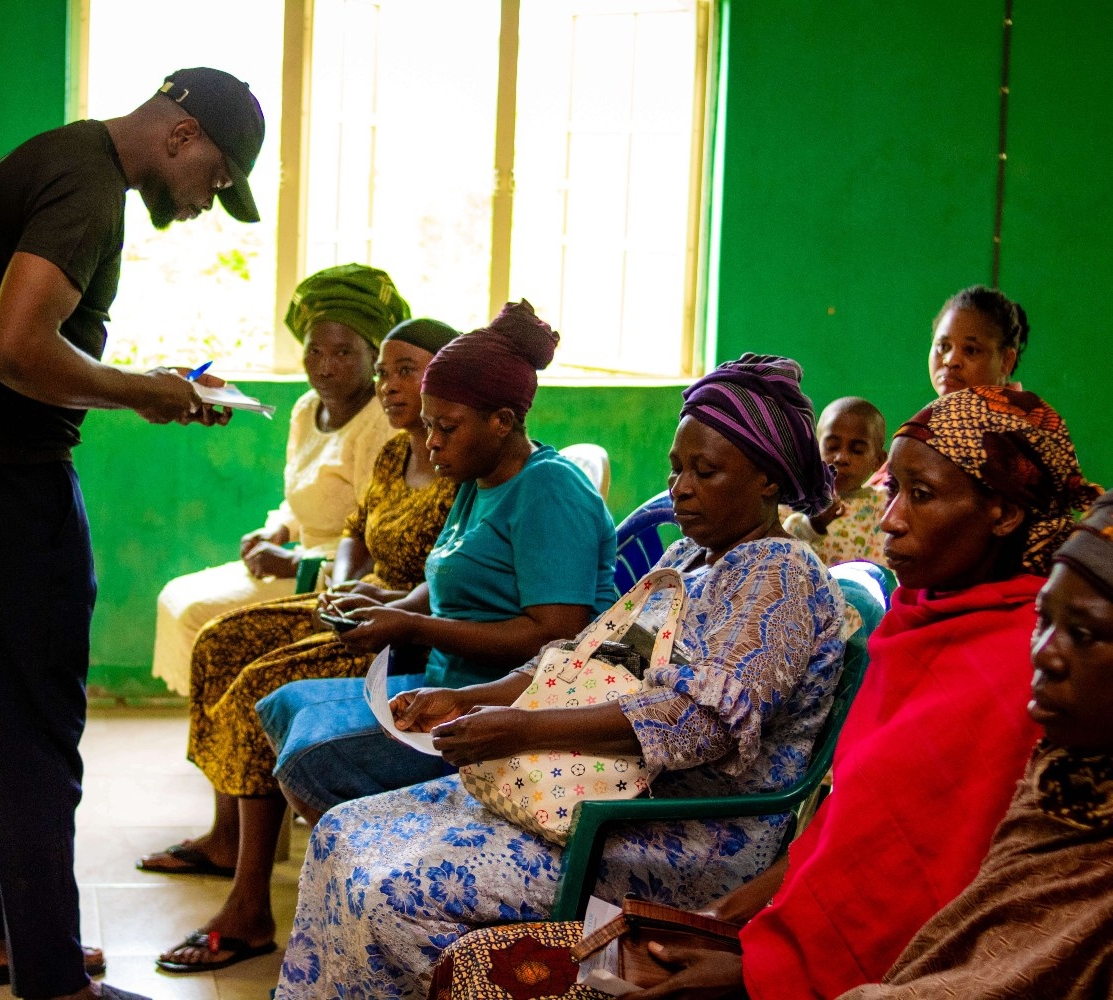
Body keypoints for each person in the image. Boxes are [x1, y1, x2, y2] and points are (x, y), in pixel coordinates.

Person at [422, 386, 1098, 1000]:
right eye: (892, 491)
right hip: (779, 930)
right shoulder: (917, 631)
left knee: (456, 940)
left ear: (1004, 512)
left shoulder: (1018, 672)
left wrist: (753, 973)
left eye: (919, 496)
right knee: (464, 947)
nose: (888, 520)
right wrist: (724, 923)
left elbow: (940, 907)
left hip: (830, 960)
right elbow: (839, 827)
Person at [274, 354, 848, 1000]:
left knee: (390, 895)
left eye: (704, 471)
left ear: (769, 480)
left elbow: (697, 725)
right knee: (340, 834)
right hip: (596, 790)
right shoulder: (692, 557)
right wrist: (469, 698)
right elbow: (583, 656)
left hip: (682, 832)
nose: (680, 487)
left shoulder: (780, 578)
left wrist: (521, 729)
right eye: (676, 467)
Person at [0, 67, 264, 1000]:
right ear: (182, 136)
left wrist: (143, 380)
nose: (206, 200)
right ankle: (54, 981)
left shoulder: (55, 155)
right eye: (216, 177)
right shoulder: (92, 188)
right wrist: (145, 391)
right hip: (1, 476)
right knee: (33, 725)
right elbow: (13, 348)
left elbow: (17, 338)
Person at [140, 318, 460, 972]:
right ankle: (227, 835)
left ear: (449, 378)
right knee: (220, 640)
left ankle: (249, 906)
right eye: (387, 372)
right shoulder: (399, 451)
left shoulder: (464, 460)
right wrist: (342, 586)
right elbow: (355, 531)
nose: (390, 385)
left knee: (259, 682)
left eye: (407, 370)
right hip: (361, 602)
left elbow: (458, 573)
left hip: (406, 632)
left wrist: (380, 602)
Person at [257, 301, 620, 832]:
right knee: (284, 703)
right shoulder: (480, 479)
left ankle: (391, 848)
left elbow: (556, 633)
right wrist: (391, 603)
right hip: (446, 680)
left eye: (446, 428)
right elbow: (451, 573)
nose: (432, 443)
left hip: (508, 710)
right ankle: (370, 840)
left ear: (502, 422)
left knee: (312, 756)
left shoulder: (549, 491)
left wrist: (412, 626)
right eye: (428, 426)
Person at [838, 489, 1113, 997]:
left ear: (1004, 512)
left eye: (1086, 633)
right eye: (1043, 621)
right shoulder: (1062, 778)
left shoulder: (1006, 679)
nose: (1045, 656)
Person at [150, 263, 402, 695]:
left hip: (330, 577)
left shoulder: (381, 425)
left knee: (198, 613)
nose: (324, 367)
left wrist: (290, 562)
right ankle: (225, 724)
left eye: (344, 353)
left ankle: (240, 724)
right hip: (298, 556)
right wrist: (275, 530)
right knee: (175, 596)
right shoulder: (307, 409)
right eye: (314, 351)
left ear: (373, 356)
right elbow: (298, 495)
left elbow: (372, 545)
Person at [782, 396, 889, 567]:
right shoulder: (793, 501)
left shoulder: (886, 506)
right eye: (832, 447)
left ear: (878, 460)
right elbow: (776, 554)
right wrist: (810, 525)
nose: (842, 458)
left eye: (857, 450)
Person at [927, 285, 1029, 397]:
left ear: (1006, 361)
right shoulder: (942, 412)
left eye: (970, 350)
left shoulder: (1019, 414)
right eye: (943, 346)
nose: (951, 361)